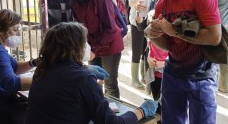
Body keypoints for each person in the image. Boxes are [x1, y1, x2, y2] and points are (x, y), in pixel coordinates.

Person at [142, 0, 221, 124]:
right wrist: (154, 35)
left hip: (202, 74)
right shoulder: (162, 4)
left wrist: (174, 31)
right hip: (173, 73)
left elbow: (215, 37)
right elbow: (169, 45)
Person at [25, 22, 157, 123]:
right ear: (74, 48)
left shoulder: (42, 69)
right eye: (85, 42)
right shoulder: (84, 79)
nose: (87, 46)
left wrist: (84, 69)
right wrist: (141, 111)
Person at [61, 0, 124, 98]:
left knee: (109, 83)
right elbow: (78, 26)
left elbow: (111, 29)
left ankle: (113, 117)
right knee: (92, 81)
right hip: (92, 45)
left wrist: (94, 50)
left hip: (110, 44)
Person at [126, 0, 152, 89]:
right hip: (137, 21)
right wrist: (137, 4)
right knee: (137, 50)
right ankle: (135, 79)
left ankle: (143, 75)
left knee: (145, 49)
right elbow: (131, 1)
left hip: (148, 21)